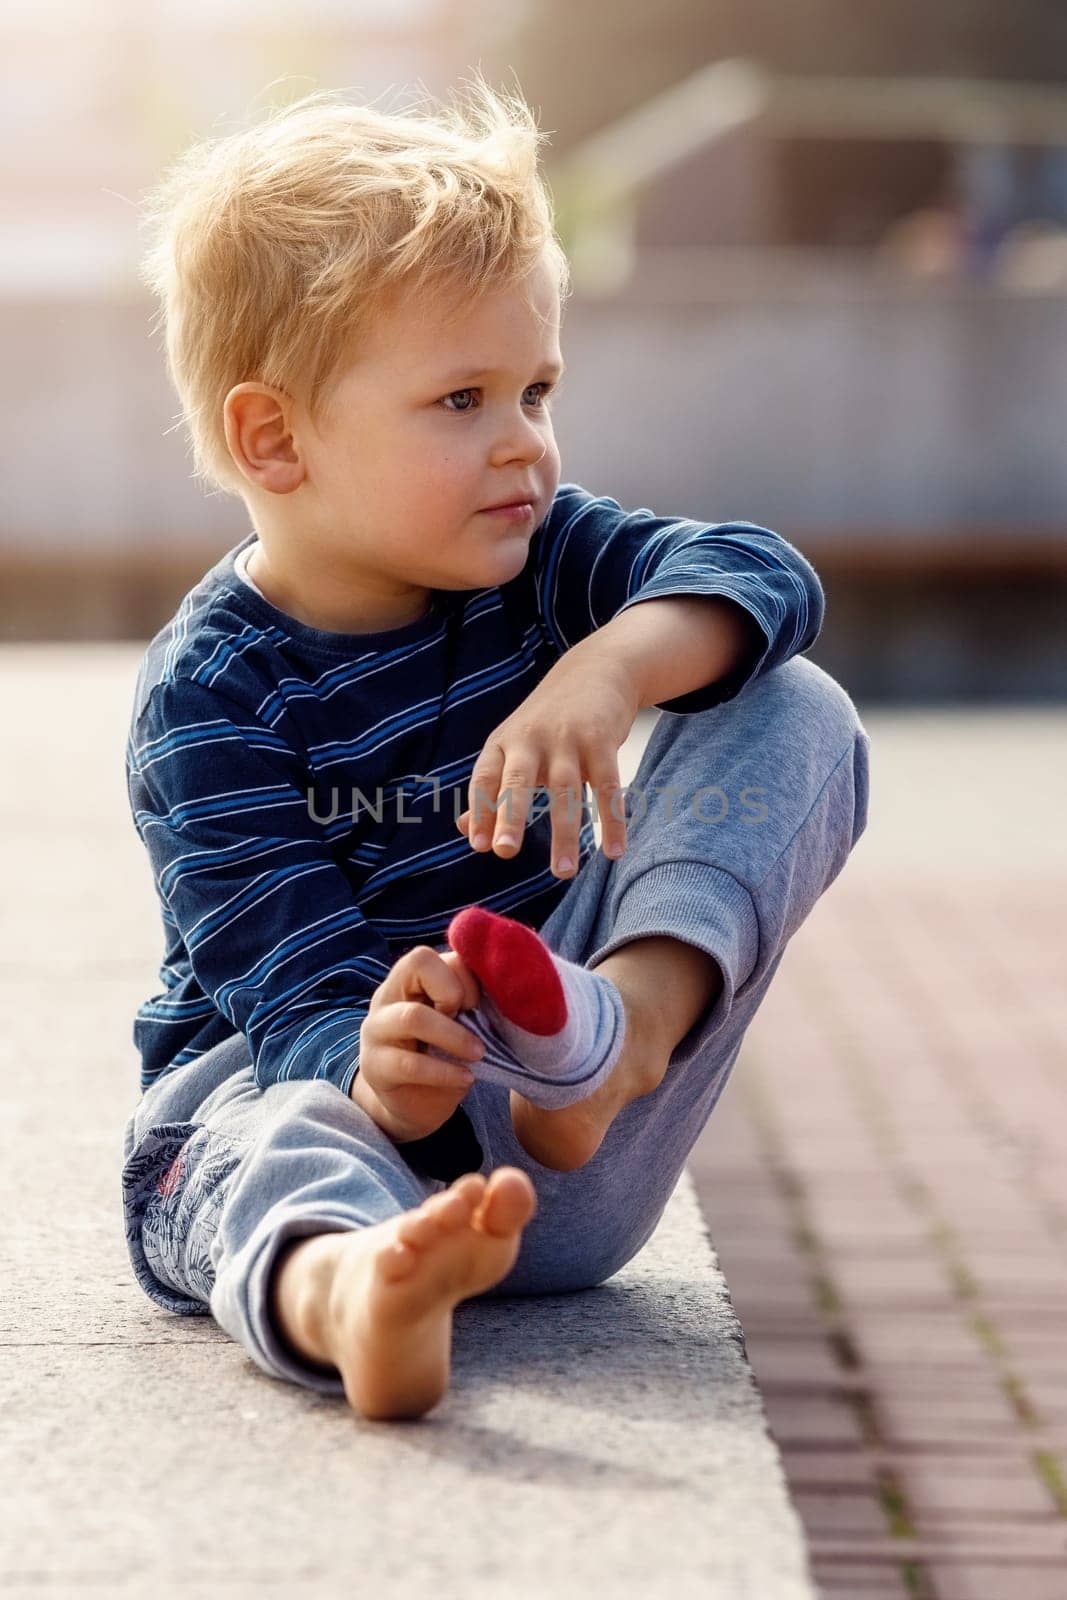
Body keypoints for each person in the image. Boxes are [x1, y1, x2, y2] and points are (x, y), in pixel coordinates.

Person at [121, 75, 870, 1421]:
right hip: (344, 1116)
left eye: (537, 389)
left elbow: (765, 572)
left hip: (563, 1144)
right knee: (269, 1135)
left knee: (794, 701)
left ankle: (622, 1036)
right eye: (462, 399)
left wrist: (610, 663)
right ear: (275, 437)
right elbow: (288, 993)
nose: (524, 444)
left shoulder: (541, 562)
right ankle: (353, 1298)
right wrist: (382, 1065)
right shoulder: (211, 699)